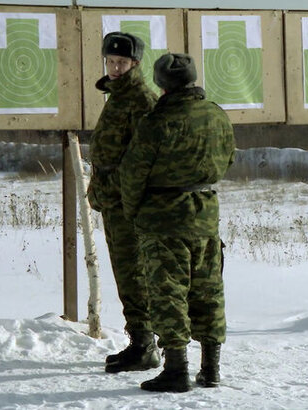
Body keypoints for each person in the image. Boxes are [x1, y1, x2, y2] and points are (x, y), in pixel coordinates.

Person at [119, 53, 236, 392]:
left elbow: (133, 174)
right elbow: (228, 158)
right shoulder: (216, 114)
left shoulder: (157, 121)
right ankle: (211, 368)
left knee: (168, 293)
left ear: (161, 84)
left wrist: (135, 212)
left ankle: (176, 369)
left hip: (162, 219)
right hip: (205, 213)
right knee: (208, 291)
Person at [86, 32, 160, 373]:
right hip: (114, 200)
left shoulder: (141, 100)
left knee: (134, 273)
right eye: (111, 61)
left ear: (135, 63)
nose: (114, 68)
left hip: (129, 203)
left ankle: (146, 344)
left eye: (121, 62)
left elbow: (142, 159)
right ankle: (139, 341)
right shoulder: (117, 96)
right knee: (124, 272)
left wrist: (121, 192)